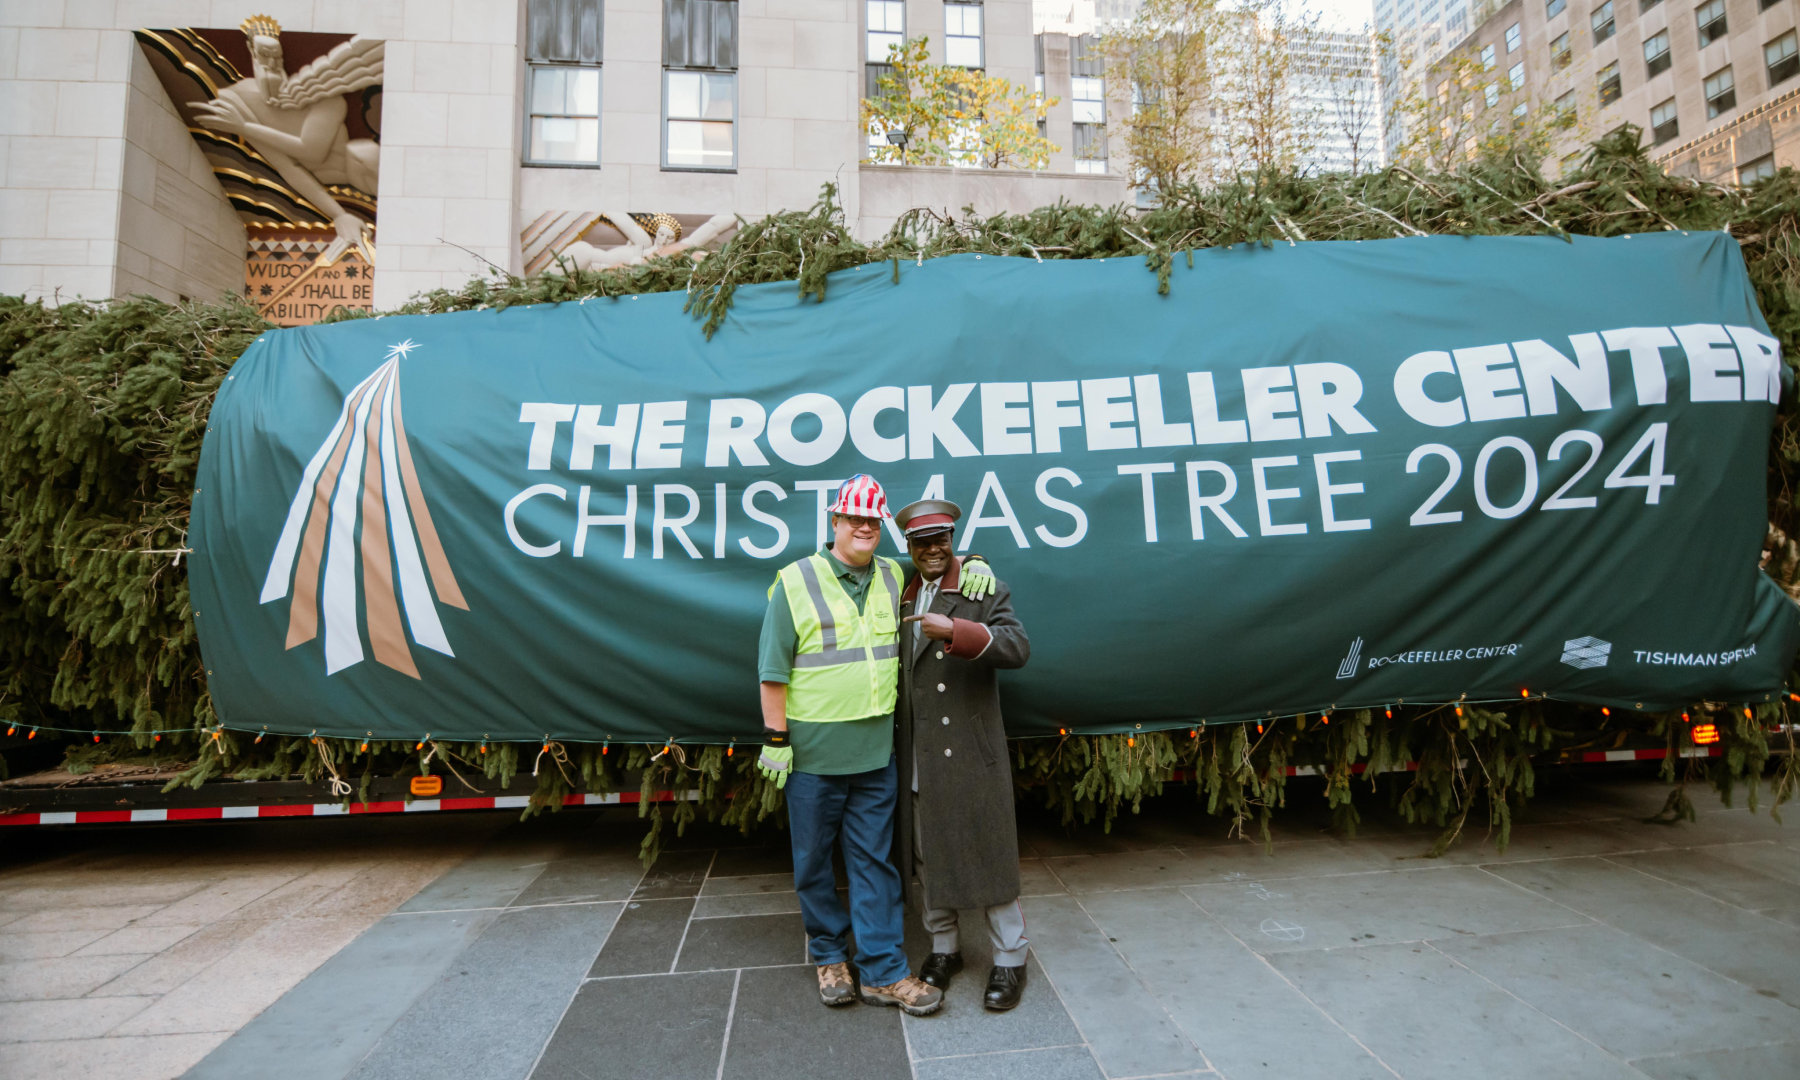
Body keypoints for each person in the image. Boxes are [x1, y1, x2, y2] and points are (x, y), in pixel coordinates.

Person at [752, 475, 990, 1016]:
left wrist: (971, 563)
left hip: (876, 755)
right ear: (835, 522)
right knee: (813, 863)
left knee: (874, 863)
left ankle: (883, 972)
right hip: (811, 757)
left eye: (873, 521)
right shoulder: (795, 581)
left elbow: (936, 565)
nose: (864, 527)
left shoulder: (891, 574)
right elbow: (772, 671)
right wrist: (776, 739)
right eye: (854, 518)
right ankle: (830, 958)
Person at [892, 498, 1032, 1011]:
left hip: (970, 749)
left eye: (941, 540)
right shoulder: (902, 594)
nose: (932, 549)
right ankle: (945, 949)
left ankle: (1011, 959)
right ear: (908, 547)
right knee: (929, 855)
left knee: (988, 853)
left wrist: (958, 631)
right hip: (919, 752)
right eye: (920, 542)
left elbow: (1017, 647)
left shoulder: (979, 584)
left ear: (953, 539)